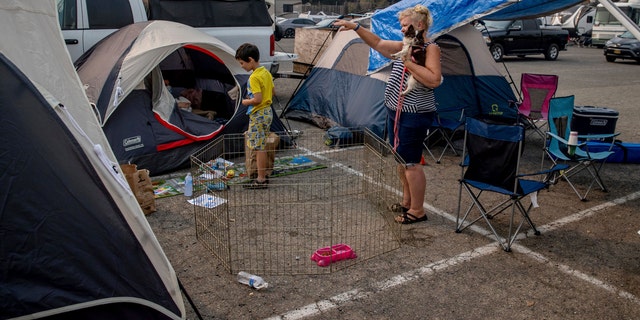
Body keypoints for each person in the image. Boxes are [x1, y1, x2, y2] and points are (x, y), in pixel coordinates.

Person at [333, 5, 442, 224]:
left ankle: (418, 211)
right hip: (396, 111)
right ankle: (408, 201)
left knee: (411, 162)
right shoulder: (405, 45)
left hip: (414, 113)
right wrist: (355, 27)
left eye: (405, 25)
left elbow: (434, 80)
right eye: (401, 26)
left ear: (419, 25)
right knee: (401, 159)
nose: (402, 30)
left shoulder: (431, 48)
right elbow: (378, 44)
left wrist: (408, 62)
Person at [235, 43, 275, 189]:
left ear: (250, 60)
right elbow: (273, 92)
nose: (241, 66)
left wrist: (246, 101)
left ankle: (260, 179)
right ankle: (261, 176)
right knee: (261, 145)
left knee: (259, 147)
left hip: (258, 114)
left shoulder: (254, 77)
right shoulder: (266, 73)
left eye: (242, 63)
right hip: (268, 112)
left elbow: (257, 99)